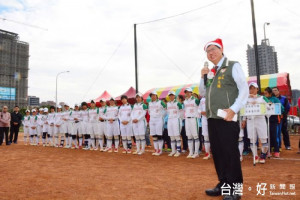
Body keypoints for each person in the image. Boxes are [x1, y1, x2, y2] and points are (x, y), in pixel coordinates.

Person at [199, 38, 248, 199]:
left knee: (229, 152)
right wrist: (203, 77)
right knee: (218, 153)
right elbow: (202, 93)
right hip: (213, 118)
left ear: (221, 50)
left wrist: (234, 110)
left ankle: (235, 189)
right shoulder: (212, 72)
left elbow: (244, 89)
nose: (210, 53)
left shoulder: (233, 66)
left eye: (213, 49)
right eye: (208, 51)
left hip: (227, 117)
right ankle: (224, 184)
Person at [242, 82, 270, 164]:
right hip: (251, 120)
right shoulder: (246, 99)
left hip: (260, 119)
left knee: (263, 138)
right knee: (252, 139)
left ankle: (263, 155)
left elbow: (270, 106)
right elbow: (244, 111)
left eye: (254, 88)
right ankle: (255, 155)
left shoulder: (262, 98)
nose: (252, 90)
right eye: (250, 88)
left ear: (257, 89)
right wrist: (244, 120)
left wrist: (259, 103)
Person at [264, 87, 284, 158]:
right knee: (266, 136)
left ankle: (276, 151)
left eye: (266, 93)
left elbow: (281, 108)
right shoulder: (263, 99)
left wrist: (274, 106)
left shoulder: (275, 99)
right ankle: (267, 151)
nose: (265, 95)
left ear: (270, 93)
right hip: (265, 119)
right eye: (264, 93)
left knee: (274, 135)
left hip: (273, 120)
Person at [184, 87, 200, 159]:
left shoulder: (196, 100)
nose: (187, 93)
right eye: (186, 92)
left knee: (195, 136)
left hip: (194, 119)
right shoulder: (185, 101)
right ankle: (191, 152)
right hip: (187, 119)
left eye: (188, 92)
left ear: (191, 92)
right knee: (189, 136)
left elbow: (200, 107)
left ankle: (196, 152)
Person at [148, 91, 166, 156]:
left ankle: (160, 150)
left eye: (154, 95)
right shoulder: (149, 103)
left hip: (159, 120)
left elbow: (166, 108)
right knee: (154, 135)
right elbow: (149, 111)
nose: (153, 96)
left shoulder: (160, 102)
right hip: (152, 120)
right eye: (151, 95)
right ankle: (156, 149)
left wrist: (162, 115)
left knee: (159, 135)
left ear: (156, 96)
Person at [166, 91, 183, 157]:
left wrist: (179, 119)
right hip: (170, 120)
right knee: (171, 136)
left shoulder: (178, 103)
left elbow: (181, 112)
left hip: (176, 120)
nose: (171, 96)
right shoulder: (168, 104)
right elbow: (168, 112)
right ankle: (173, 151)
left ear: (174, 96)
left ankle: (178, 151)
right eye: (170, 95)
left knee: (177, 135)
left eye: (172, 95)